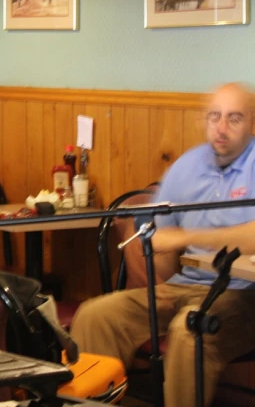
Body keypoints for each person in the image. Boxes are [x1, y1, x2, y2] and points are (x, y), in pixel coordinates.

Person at [71, 82, 255, 407]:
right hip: (184, 286)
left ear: (252, 123)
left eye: (234, 118)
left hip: (243, 294)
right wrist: (151, 244)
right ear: (204, 121)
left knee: (190, 332)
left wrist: (186, 237)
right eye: (214, 117)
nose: (221, 128)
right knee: (95, 315)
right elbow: (164, 256)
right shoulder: (188, 166)